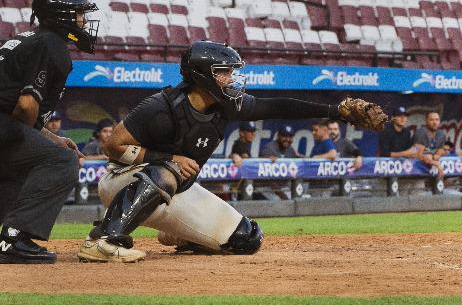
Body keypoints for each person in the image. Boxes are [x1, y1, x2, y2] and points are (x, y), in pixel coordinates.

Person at [77, 41, 387, 263]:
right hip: (122, 181)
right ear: (203, 76)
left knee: (247, 238)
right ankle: (105, 240)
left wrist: (337, 110)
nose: (232, 78)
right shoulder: (160, 106)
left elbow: (276, 105)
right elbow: (112, 146)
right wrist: (166, 159)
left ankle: (182, 235)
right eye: (224, 72)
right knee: (169, 169)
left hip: (176, 190)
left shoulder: (227, 105)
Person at [0, 0, 98, 264]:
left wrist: (51, 139)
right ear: (63, 17)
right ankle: (14, 239)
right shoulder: (51, 45)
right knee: (62, 160)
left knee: (23, 164)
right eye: (80, 13)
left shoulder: (28, 38)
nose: (84, 20)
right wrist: (47, 145)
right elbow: (25, 106)